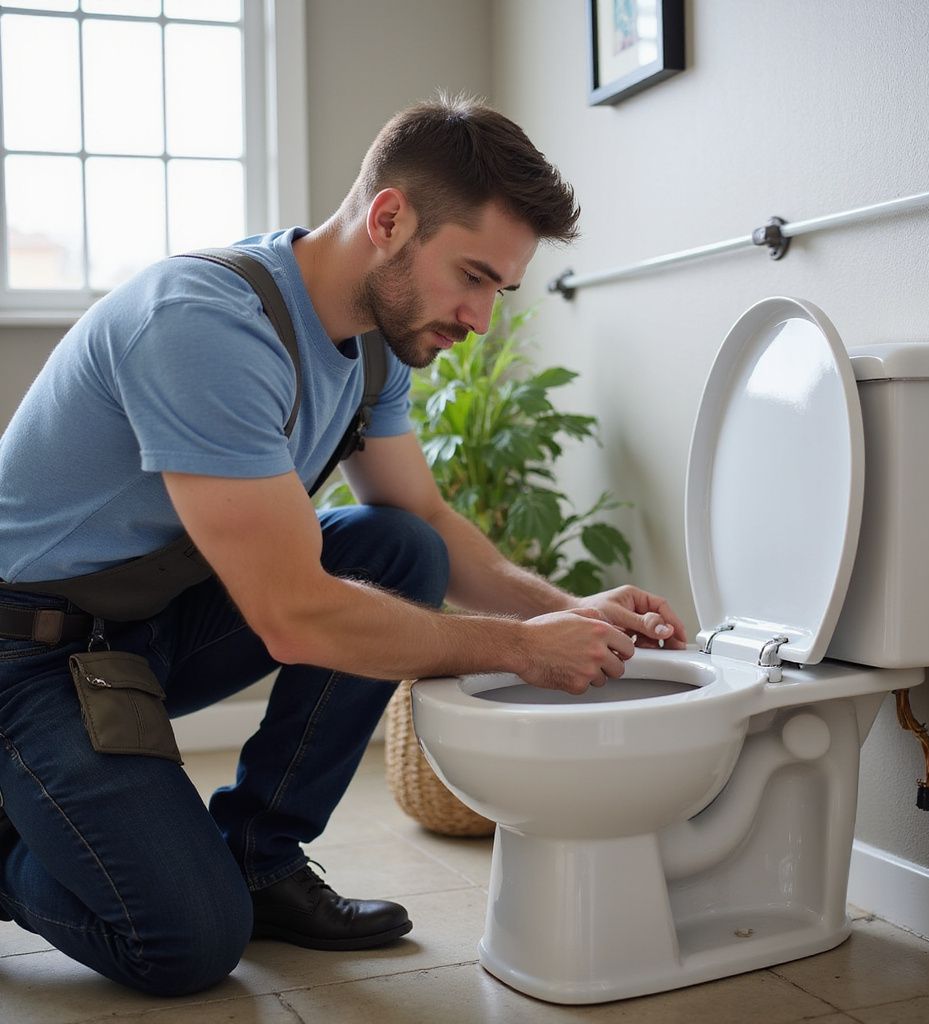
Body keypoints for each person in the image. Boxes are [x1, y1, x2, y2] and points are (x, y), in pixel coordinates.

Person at [0, 94, 686, 996]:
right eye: (472, 276)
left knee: (398, 547)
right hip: (29, 655)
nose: (481, 318)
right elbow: (292, 616)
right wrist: (522, 650)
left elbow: (429, 522)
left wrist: (568, 611)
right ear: (390, 218)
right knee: (186, 943)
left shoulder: (374, 348)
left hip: (146, 628)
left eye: (499, 290)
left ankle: (259, 855)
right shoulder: (204, 325)